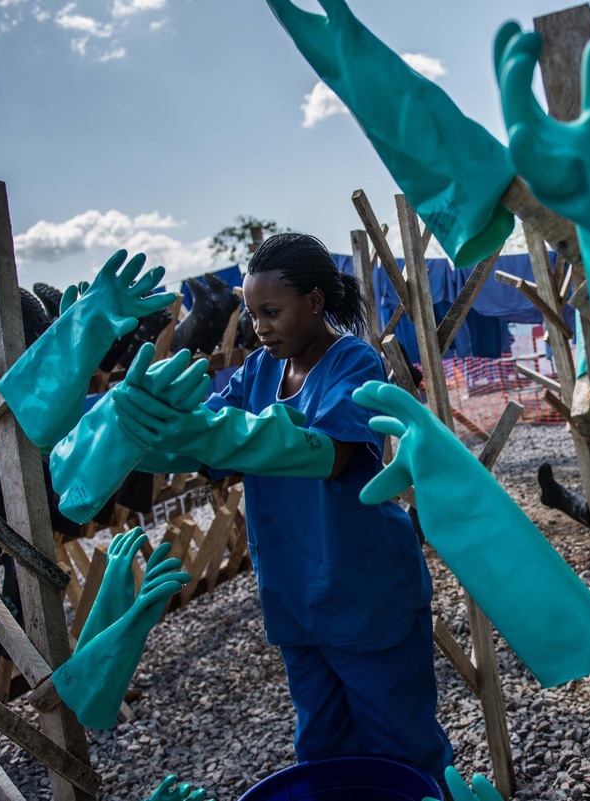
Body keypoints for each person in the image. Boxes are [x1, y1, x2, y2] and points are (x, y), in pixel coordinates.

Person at [113, 233, 452, 782]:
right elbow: (204, 440)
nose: (259, 327)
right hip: (294, 595)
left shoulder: (354, 364)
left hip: (363, 593)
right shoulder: (257, 373)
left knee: (401, 746)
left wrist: (216, 434)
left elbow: (336, 454)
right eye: (252, 314)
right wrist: (130, 434)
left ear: (315, 302)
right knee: (322, 749)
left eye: (271, 312)